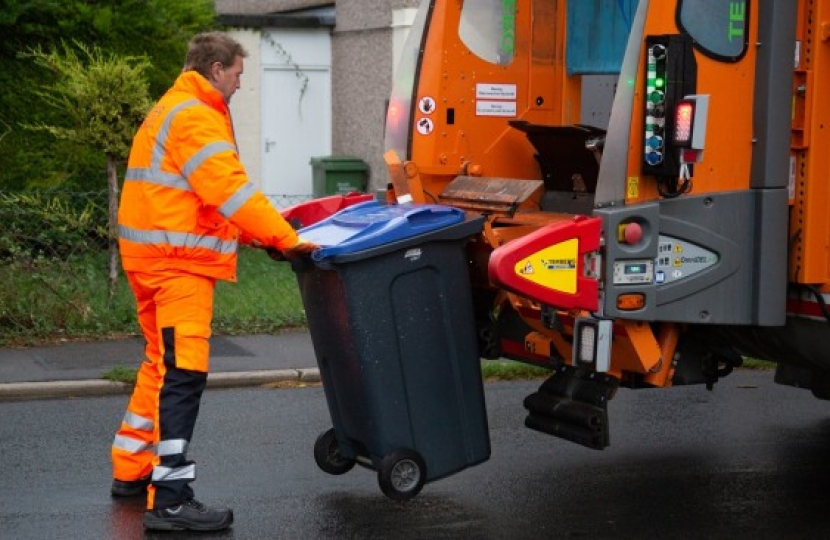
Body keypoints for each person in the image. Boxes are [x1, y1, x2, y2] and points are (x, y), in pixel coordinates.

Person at [109, 31, 318, 532]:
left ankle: (132, 468)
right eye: (239, 75)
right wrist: (286, 238)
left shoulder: (171, 108)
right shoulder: (196, 116)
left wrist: (254, 237)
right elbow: (230, 190)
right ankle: (172, 499)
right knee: (185, 374)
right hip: (177, 265)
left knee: (160, 364)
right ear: (216, 69)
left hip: (150, 257)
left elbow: (198, 199)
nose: (241, 85)